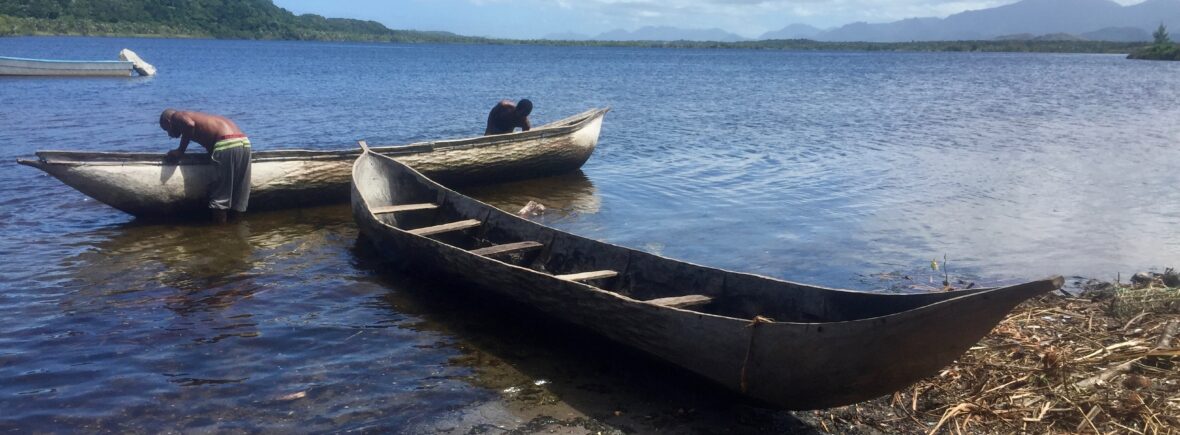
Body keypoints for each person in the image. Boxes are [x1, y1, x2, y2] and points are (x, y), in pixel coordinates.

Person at [160, 109, 251, 223]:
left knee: (220, 200)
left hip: (227, 143)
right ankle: (236, 230)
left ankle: (220, 234)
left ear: (169, 122)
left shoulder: (177, 116)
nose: (169, 135)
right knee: (238, 199)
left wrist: (180, 151)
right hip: (244, 142)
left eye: (167, 130)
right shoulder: (201, 116)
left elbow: (189, 124)